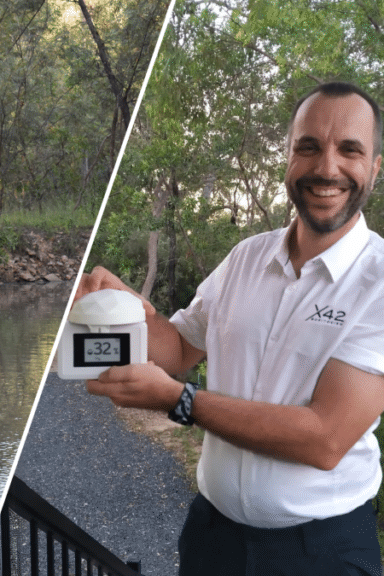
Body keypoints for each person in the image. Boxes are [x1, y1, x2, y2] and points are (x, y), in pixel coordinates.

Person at [76, 81, 384, 576]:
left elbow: (325, 439)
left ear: (374, 167)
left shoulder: (378, 281)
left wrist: (180, 401)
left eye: (350, 150)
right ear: (288, 158)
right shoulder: (246, 257)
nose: (327, 168)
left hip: (321, 550)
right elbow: (179, 349)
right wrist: (125, 308)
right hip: (213, 535)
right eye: (308, 147)